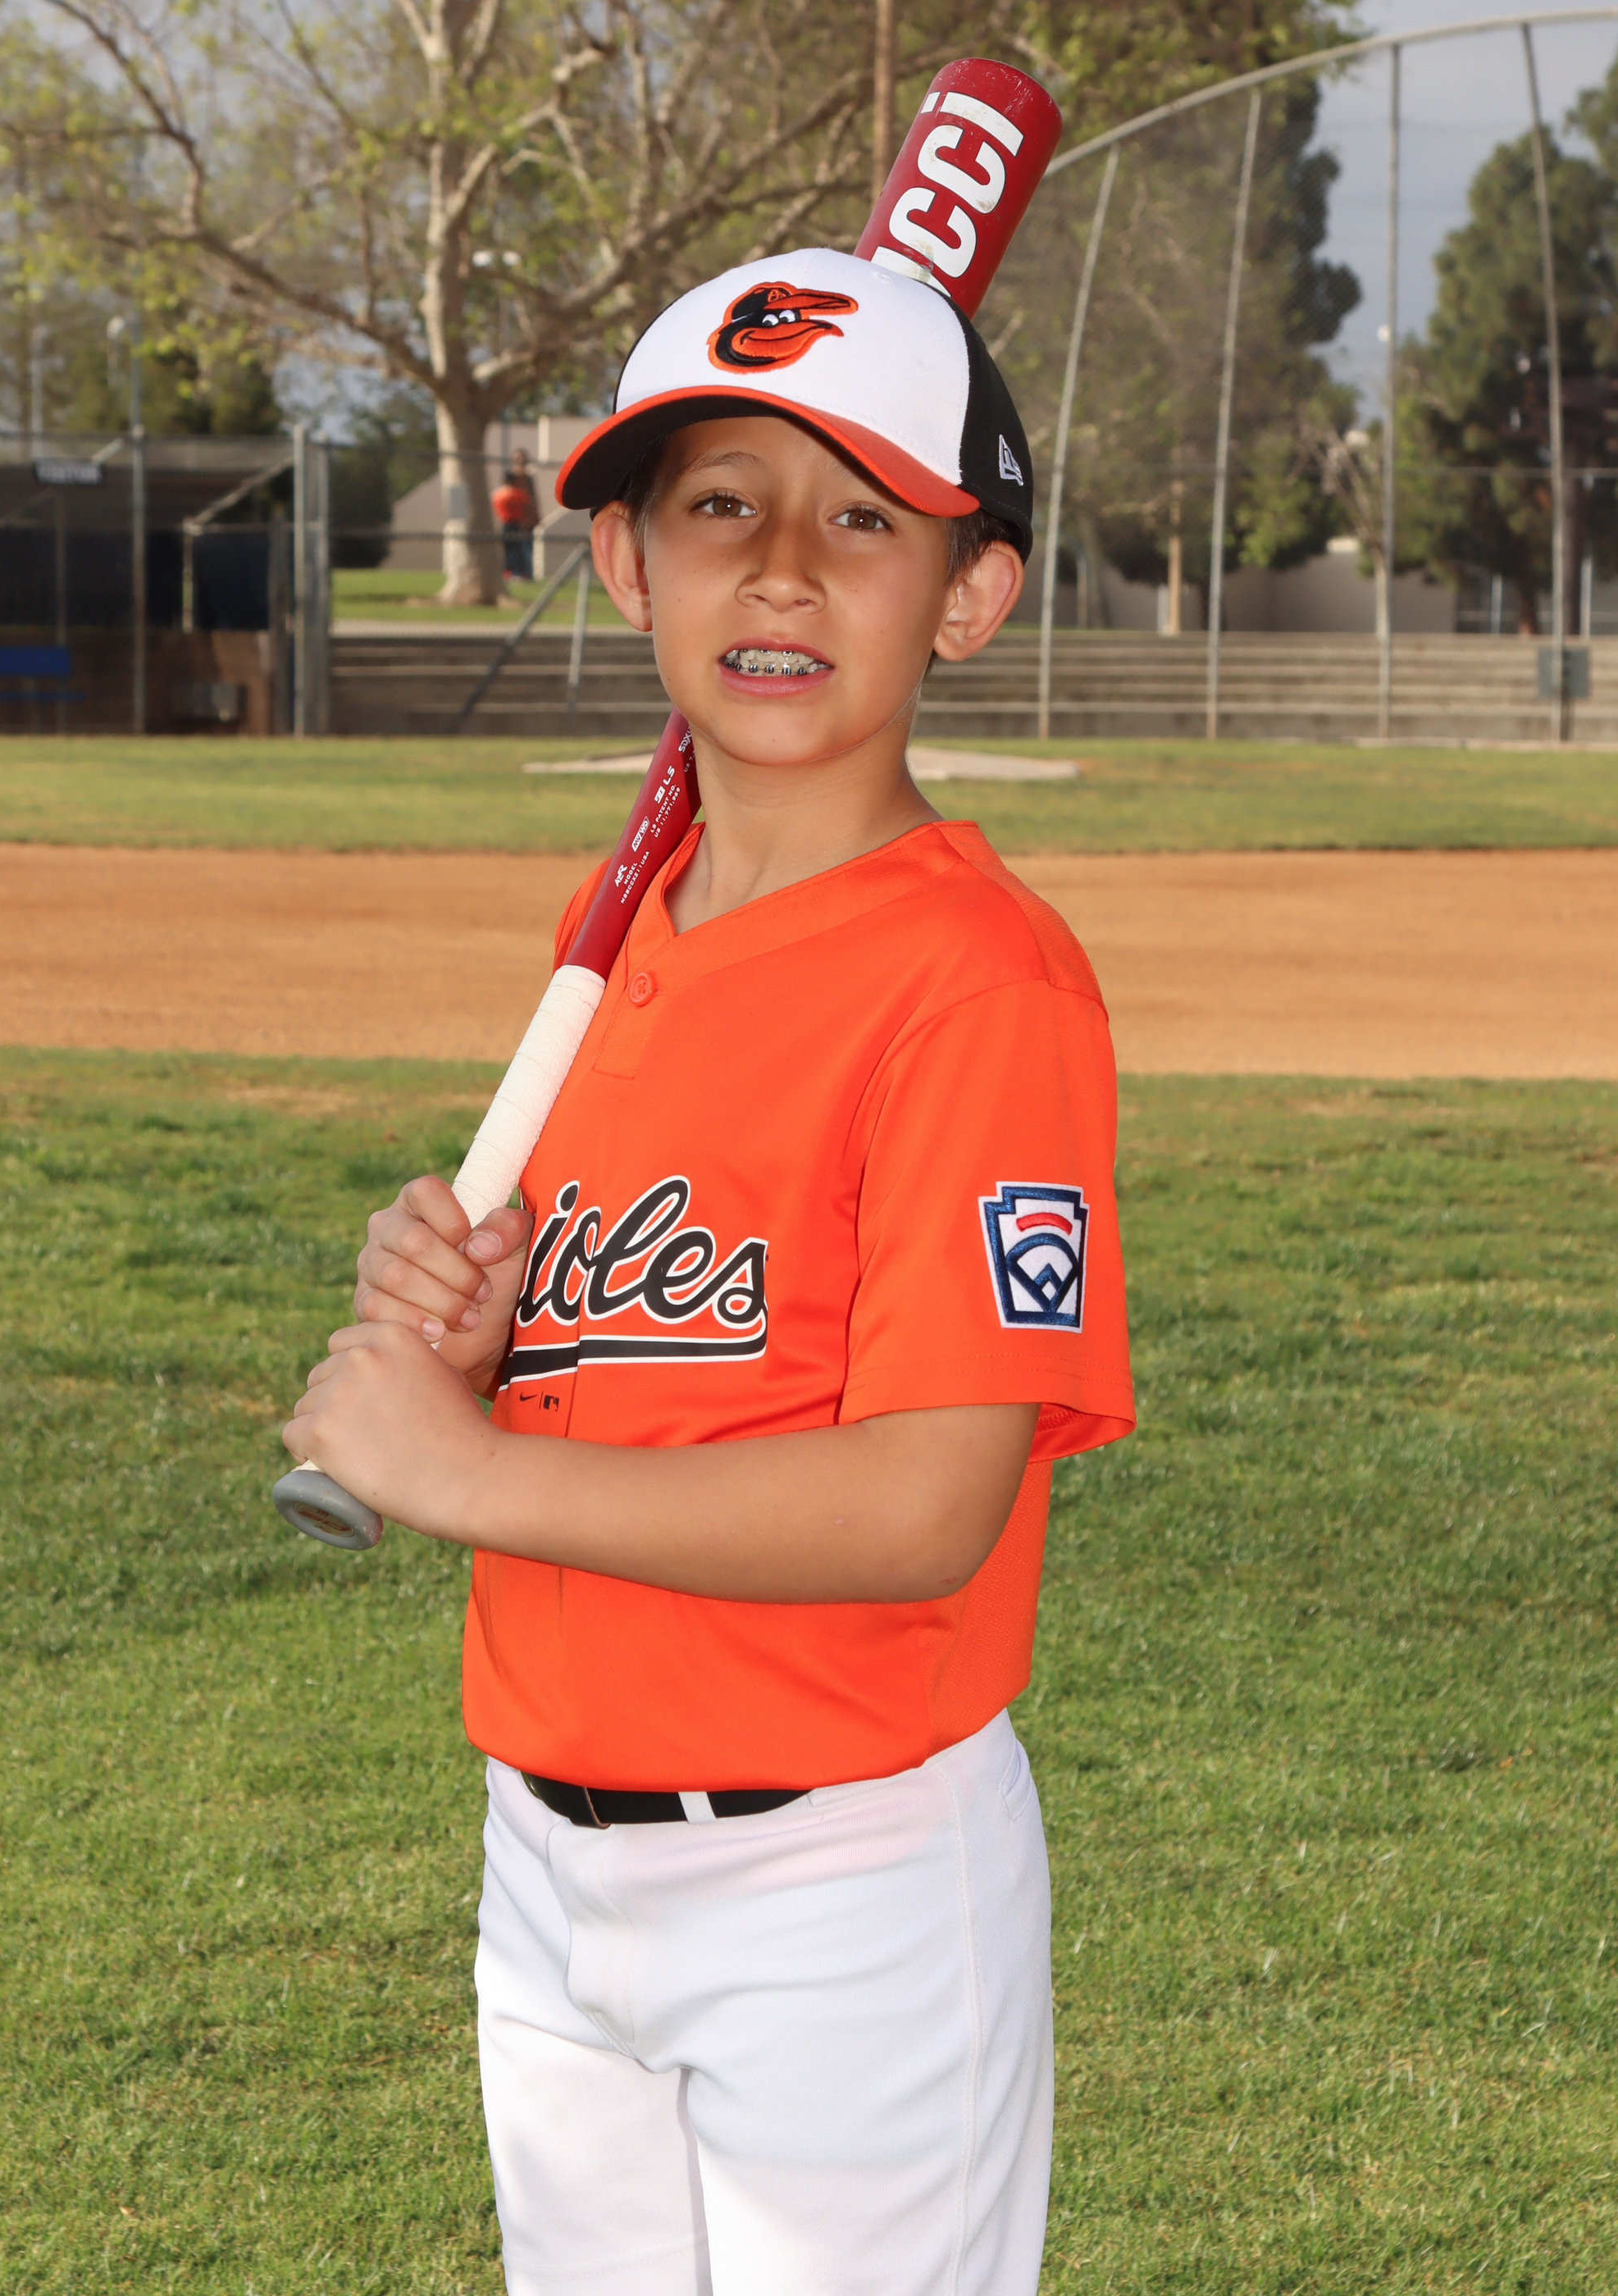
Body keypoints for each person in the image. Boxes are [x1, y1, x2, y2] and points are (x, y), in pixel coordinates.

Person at [284, 247, 1135, 2296]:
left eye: (862, 521)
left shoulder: (976, 984)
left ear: (970, 596)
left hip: (837, 1872)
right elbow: (663, 1354)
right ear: (622, 563)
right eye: (718, 505)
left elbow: (924, 1499)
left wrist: (465, 1470)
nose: (779, 569)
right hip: (547, 1848)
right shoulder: (624, 934)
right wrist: (487, 1342)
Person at [492, 446, 540, 586]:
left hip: (526, 520)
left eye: (523, 460)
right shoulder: (512, 479)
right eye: (518, 460)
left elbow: (532, 500)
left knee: (526, 548)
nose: (521, 463)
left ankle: (526, 573)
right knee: (513, 549)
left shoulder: (528, 479)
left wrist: (533, 517)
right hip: (513, 520)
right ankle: (513, 572)